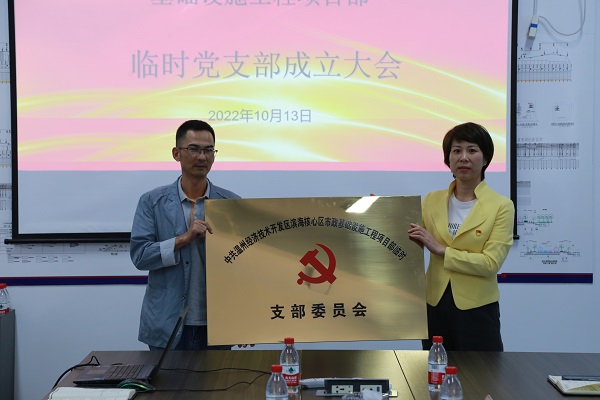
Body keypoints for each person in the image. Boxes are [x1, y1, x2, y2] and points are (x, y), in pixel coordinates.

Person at [130, 119, 240, 350]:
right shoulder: (152, 202)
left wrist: (246, 319)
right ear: (176, 153)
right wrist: (182, 239)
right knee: (166, 376)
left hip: (218, 323)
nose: (202, 157)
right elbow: (140, 256)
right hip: (167, 323)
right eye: (194, 149)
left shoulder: (231, 204)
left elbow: (244, 267)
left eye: (209, 150)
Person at [408, 122, 514, 351]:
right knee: (435, 369)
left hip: (477, 309)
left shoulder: (501, 206)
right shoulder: (432, 200)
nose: (463, 157)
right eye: (456, 150)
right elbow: (412, 238)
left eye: (472, 150)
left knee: (482, 371)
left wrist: (442, 250)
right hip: (434, 304)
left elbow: (490, 263)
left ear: (485, 159)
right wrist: (384, 213)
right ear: (448, 159)